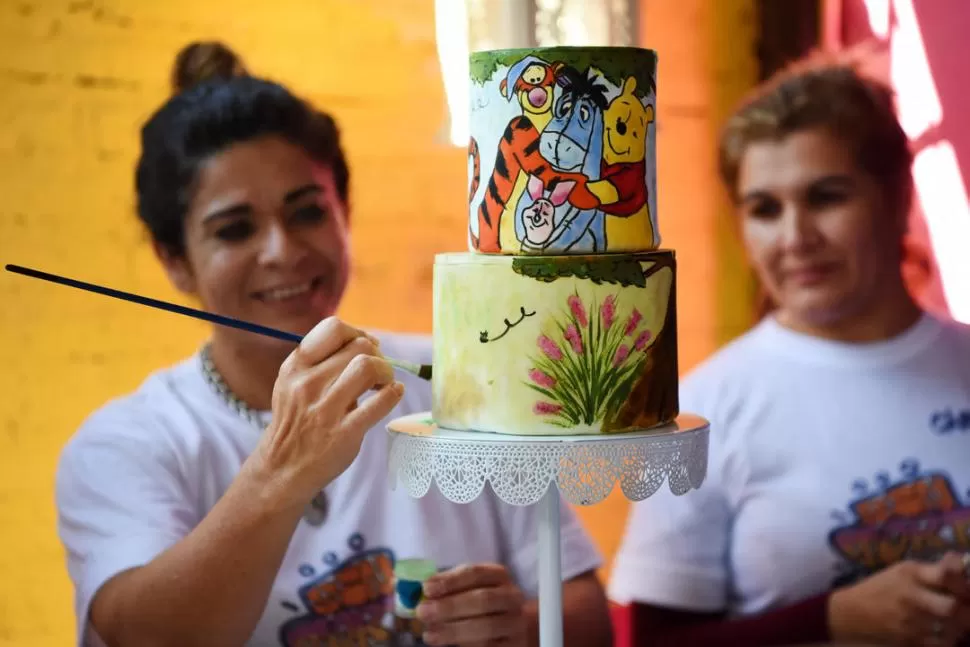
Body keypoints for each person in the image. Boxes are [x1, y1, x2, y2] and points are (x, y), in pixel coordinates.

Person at [54, 41, 613, 647]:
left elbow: (586, 613)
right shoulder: (127, 444)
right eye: (235, 230)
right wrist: (282, 469)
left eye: (307, 212)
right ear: (175, 261)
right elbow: (144, 635)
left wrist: (517, 628)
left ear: (344, 211)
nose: (283, 250)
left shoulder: (456, 374)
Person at [608, 56, 970, 646]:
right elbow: (647, 641)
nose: (796, 238)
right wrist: (831, 621)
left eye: (826, 197)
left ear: (898, 197)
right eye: (765, 209)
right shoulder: (702, 406)